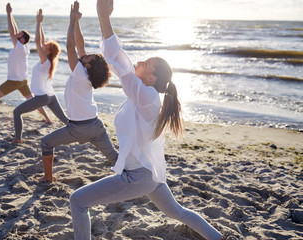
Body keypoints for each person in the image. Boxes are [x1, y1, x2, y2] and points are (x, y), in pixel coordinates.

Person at [68, 1, 224, 240]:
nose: (139, 62)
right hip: (151, 175)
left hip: (138, 177)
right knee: (178, 212)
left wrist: (104, 17)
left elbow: (117, 59)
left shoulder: (147, 96)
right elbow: (122, 64)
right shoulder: (143, 92)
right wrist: (104, 18)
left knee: (77, 200)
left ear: (151, 78)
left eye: (147, 63)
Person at [38, 1, 118, 183]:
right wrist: (77, 21)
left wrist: (71, 21)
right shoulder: (87, 74)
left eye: (88, 57)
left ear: (88, 65)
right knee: (114, 157)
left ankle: (48, 177)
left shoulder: (80, 72)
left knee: (46, 143)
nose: (85, 55)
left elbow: (70, 46)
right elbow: (79, 46)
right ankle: (134, 174)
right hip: (96, 127)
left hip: (78, 129)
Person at [0, 3, 52, 127]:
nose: (16, 34)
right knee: (34, 101)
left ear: (22, 40)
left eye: (19, 34)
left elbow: (12, 32)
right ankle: (48, 119)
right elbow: (15, 31)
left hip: (14, 81)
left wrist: (8, 14)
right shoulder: (22, 47)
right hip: (23, 81)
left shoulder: (19, 48)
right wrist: (11, 14)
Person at [12, 9, 68, 144]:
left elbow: (37, 42)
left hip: (42, 97)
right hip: (51, 96)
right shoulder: (50, 61)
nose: (44, 45)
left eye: (47, 46)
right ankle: (82, 133)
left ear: (49, 52)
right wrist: (41, 24)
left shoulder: (45, 61)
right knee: (66, 120)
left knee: (16, 112)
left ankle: (18, 139)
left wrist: (38, 23)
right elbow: (41, 41)